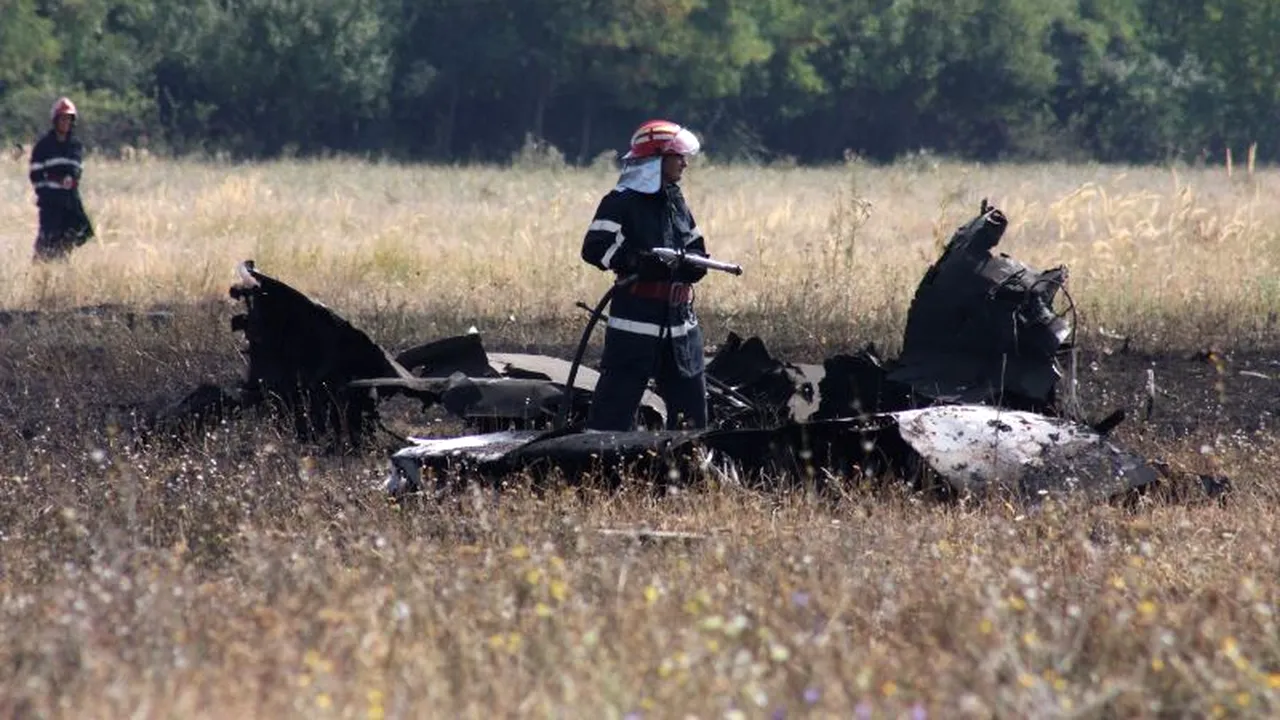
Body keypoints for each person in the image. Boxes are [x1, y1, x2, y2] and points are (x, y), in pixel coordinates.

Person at [580, 119, 712, 431]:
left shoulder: (675, 199)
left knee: (692, 417)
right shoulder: (621, 201)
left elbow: (696, 245)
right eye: (678, 156)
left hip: (681, 326)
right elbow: (594, 248)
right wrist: (636, 264)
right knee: (613, 414)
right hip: (635, 325)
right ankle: (603, 470)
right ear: (657, 159)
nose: (685, 163)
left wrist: (696, 265)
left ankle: (687, 473)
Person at [29, 96, 94, 262]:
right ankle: (40, 271)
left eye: (68, 119)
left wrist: (70, 180)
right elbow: (35, 173)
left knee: (76, 232)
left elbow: (76, 170)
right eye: (62, 119)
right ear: (55, 120)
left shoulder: (75, 146)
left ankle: (62, 262)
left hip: (69, 200)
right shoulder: (43, 146)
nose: (65, 123)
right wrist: (45, 192)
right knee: (48, 238)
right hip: (50, 201)